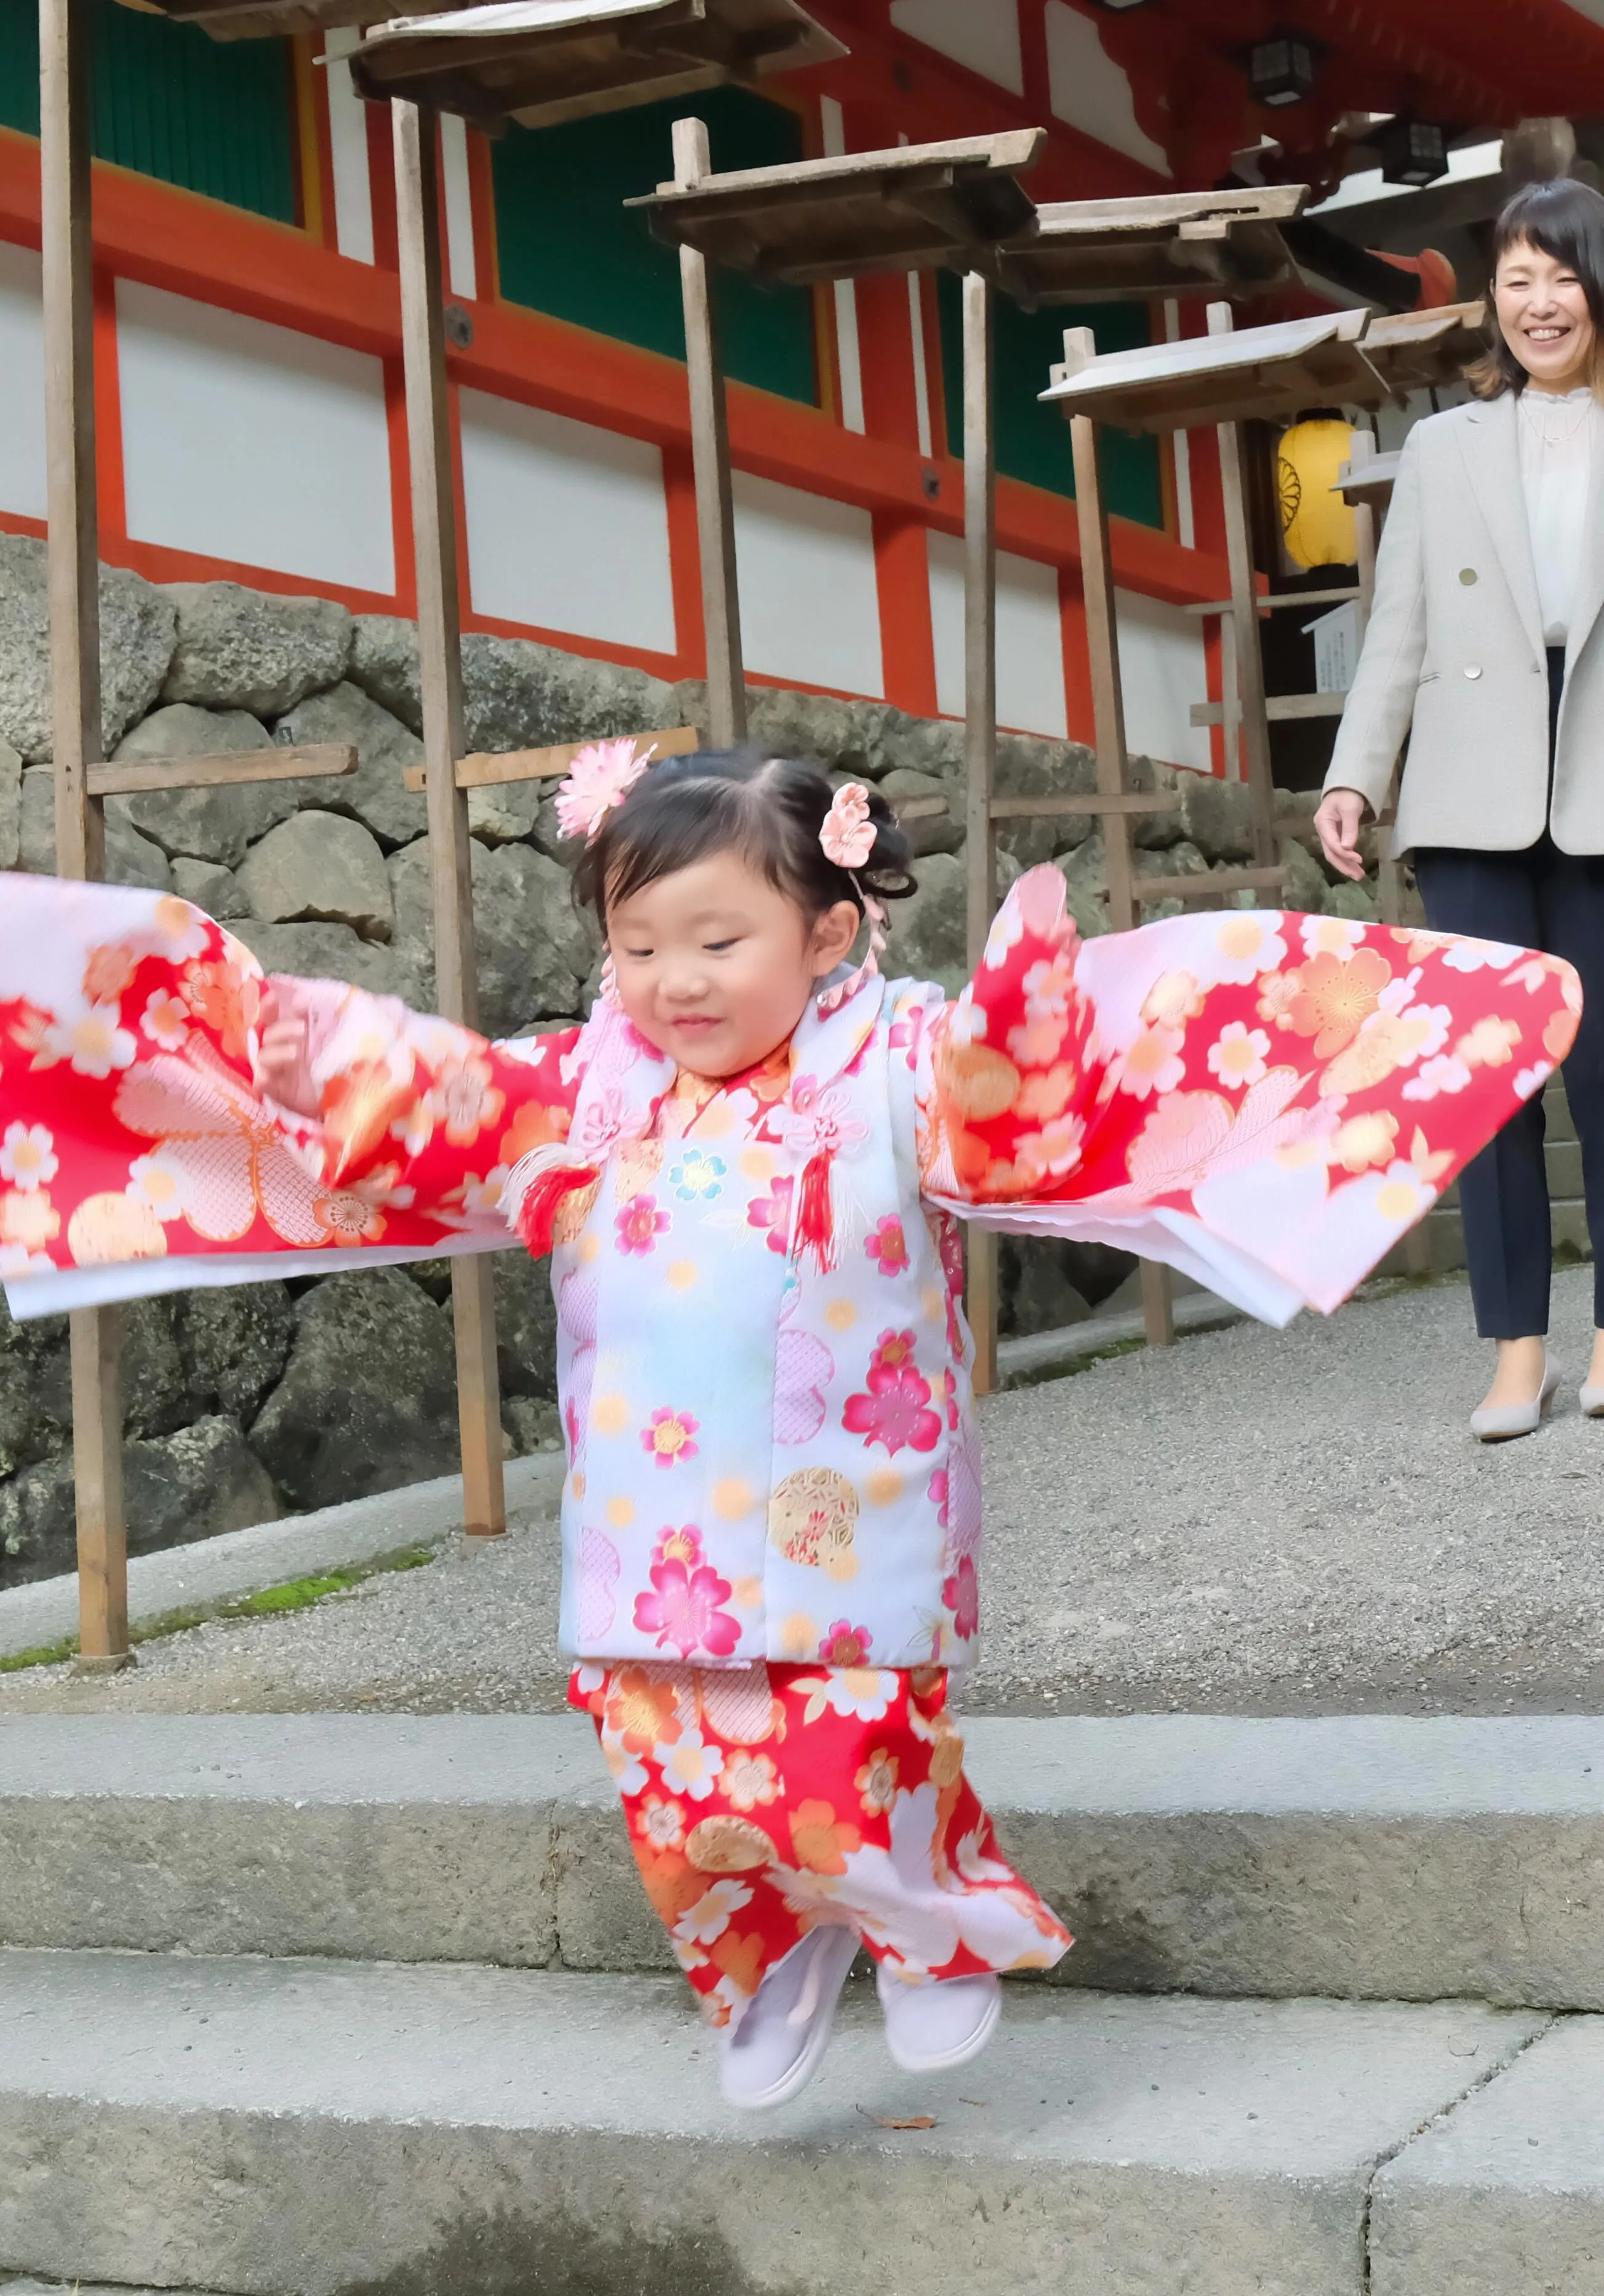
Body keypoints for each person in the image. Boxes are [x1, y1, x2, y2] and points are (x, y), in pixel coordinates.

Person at [0, 746, 1576, 2105]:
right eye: (637, 945)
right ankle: (760, 1954)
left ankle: (921, 1920)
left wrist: (1021, 1026)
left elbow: (1006, 1112)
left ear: (830, 930)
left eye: (716, 938)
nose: (673, 981)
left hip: (842, 1490)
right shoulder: (586, 1087)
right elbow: (445, 1095)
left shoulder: (891, 1058)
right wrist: (320, 1046)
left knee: (847, 1739)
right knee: (667, 1762)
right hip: (654, 1515)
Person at [1315, 178, 1604, 1441]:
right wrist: (1353, 773)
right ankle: (1513, 1351)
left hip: (1597, 773)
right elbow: (1399, 627)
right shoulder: (1441, 447)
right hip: (1472, 783)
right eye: (1517, 277)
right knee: (1488, 1085)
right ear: (1494, 296)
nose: (1539, 302)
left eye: (1563, 274)